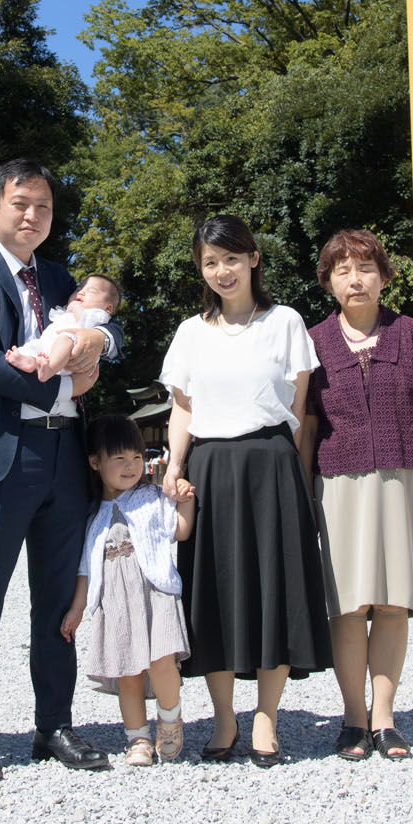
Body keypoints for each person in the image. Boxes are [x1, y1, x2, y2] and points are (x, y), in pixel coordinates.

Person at [0, 159, 124, 779]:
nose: (31, 216)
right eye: (19, 204)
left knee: (57, 601)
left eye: (42, 206)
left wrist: (97, 345)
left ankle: (55, 725)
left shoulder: (63, 276)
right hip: (2, 456)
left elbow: (106, 328)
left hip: (64, 457)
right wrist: (66, 380)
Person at [159, 215, 330, 767]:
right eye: (210, 262)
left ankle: (266, 719)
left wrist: (297, 479)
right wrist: (174, 466)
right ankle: (224, 717)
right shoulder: (190, 332)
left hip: (272, 464)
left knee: (273, 588)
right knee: (212, 589)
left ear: (254, 259)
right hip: (208, 466)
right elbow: (182, 408)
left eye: (231, 258)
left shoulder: (285, 322)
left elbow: (300, 409)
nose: (222, 271)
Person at [298, 229, 413, 762]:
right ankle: (352, 718)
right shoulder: (314, 341)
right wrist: (300, 490)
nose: (354, 278)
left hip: (404, 479)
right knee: (346, 605)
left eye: (364, 267)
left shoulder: (411, 334)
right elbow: (307, 423)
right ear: (328, 282)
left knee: (392, 604)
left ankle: (385, 718)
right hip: (336, 483)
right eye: (342, 270)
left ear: (384, 277)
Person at [60, 415, 194, 766]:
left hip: (155, 593)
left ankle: (170, 720)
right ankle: (137, 738)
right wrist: (77, 609)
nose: (130, 466)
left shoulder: (152, 497)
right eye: (119, 458)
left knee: (162, 661)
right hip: (116, 600)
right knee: (128, 672)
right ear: (95, 462)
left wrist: (186, 499)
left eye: (136, 457)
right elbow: (85, 569)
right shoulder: (92, 514)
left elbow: (180, 530)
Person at [6, 274, 122, 380]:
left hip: (72, 353)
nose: (80, 293)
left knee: (65, 340)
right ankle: (30, 361)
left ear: (108, 308)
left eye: (91, 291)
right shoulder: (67, 308)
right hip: (50, 345)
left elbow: (86, 323)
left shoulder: (99, 315)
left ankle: (49, 369)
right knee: (36, 345)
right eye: (78, 289)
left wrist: (75, 307)